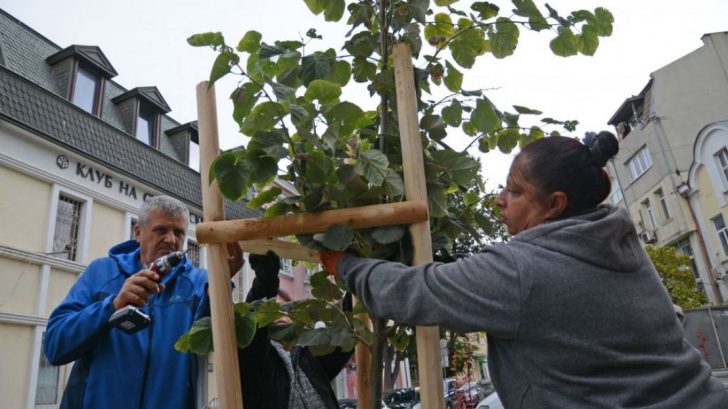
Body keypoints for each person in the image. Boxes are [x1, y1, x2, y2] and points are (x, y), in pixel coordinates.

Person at [320, 132, 728, 409]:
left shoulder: (520, 269)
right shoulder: (619, 244)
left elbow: (416, 290)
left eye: (515, 191)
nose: (500, 199)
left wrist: (346, 265)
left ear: (555, 204)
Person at [44, 196, 242, 409]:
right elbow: (54, 346)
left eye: (179, 232)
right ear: (138, 232)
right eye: (161, 230)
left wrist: (221, 283)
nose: (171, 239)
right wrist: (111, 306)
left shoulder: (200, 283)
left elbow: (217, 346)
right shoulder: (101, 273)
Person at [239, 250, 353, 409]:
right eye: (274, 312)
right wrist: (265, 282)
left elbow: (344, 342)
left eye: (285, 311)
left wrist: (353, 279)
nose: (281, 315)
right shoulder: (259, 365)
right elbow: (253, 332)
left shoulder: (306, 361)